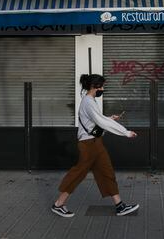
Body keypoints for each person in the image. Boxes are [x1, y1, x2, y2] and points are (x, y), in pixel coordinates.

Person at [51, 74, 139, 217]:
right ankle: (58, 204)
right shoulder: (88, 102)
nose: (102, 89)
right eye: (101, 86)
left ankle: (119, 205)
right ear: (94, 87)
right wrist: (125, 132)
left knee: (107, 172)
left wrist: (110, 118)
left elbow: (98, 119)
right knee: (79, 173)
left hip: (95, 143)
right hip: (88, 144)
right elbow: (100, 122)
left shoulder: (90, 101)